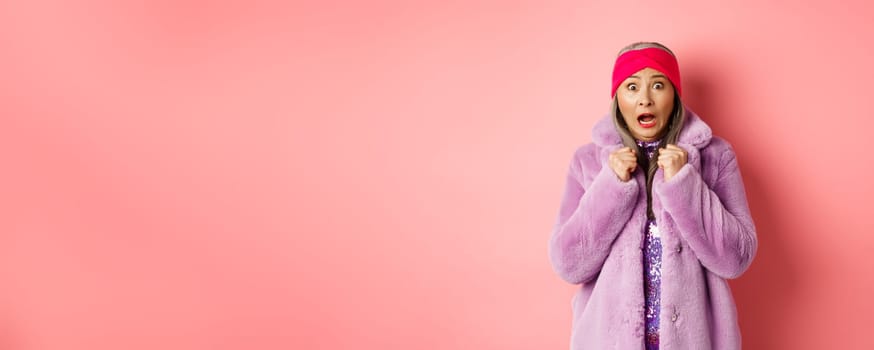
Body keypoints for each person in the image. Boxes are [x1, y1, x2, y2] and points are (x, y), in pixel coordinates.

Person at [547, 42, 758, 349]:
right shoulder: (589, 162)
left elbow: (736, 259)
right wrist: (611, 185)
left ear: (674, 94)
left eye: (658, 85)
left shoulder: (715, 157)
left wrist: (685, 183)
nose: (645, 99)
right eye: (632, 87)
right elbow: (568, 264)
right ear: (617, 98)